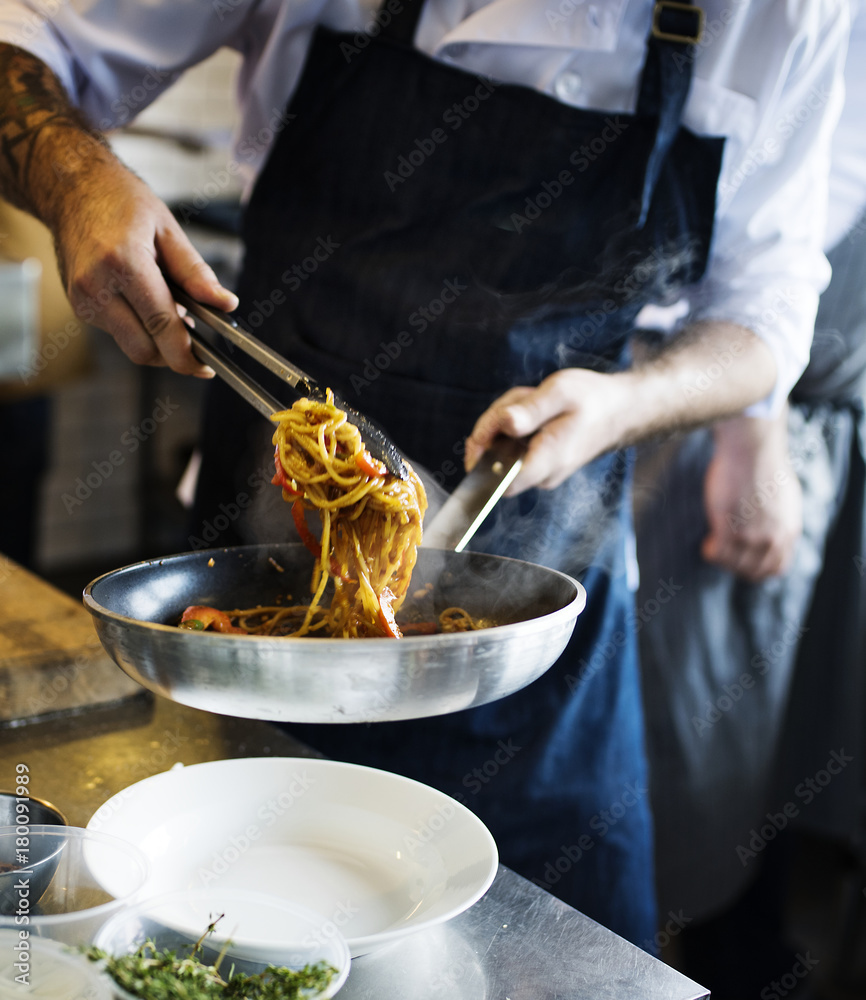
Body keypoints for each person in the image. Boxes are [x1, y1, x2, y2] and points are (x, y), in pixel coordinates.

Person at [0, 0, 849, 949]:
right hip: (250, 605)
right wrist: (78, 181)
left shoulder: (788, 13)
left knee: (558, 954)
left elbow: (766, 310)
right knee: (225, 935)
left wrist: (623, 405)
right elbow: (29, 42)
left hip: (537, 625)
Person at [634, 4, 866, 987]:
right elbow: (786, 212)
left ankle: (750, 944)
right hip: (711, 403)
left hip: (811, 401)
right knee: (694, 758)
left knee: (778, 733)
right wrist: (751, 428)